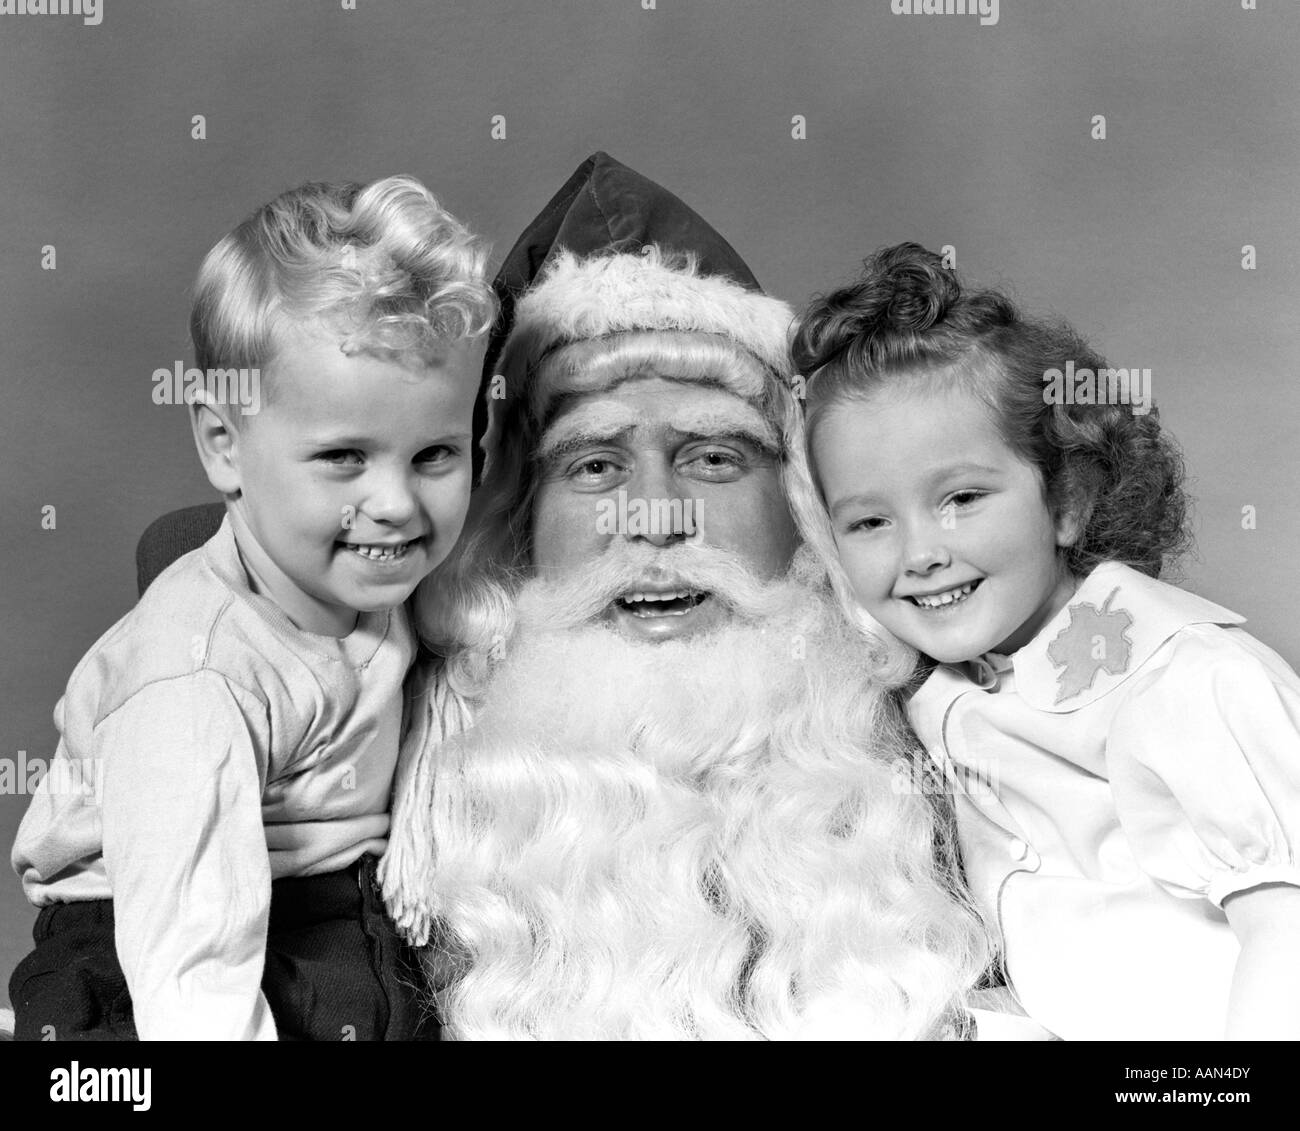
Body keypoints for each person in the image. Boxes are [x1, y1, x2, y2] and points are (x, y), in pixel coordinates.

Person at [379, 154, 990, 1040]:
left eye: (713, 457)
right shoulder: (391, 786)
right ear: (517, 526)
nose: (656, 515)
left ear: (801, 514)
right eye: (595, 464)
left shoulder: (970, 755)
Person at [9, 175, 495, 1040]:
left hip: (331, 906)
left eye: (434, 453)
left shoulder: (380, 581)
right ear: (223, 444)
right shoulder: (192, 681)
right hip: (152, 949)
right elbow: (190, 958)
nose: (396, 503)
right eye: (344, 456)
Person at [794, 241, 1300, 1040]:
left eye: (960, 496)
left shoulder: (1184, 679)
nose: (920, 551)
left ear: (1067, 499)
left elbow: (1288, 926)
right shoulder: (934, 697)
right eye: (869, 521)